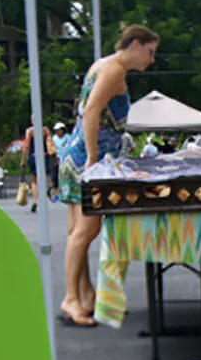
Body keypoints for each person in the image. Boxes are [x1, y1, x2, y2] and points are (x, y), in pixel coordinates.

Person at [57, 25, 160, 326]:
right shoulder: (114, 70)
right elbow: (91, 111)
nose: (151, 60)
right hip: (89, 160)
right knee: (84, 233)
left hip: (74, 158)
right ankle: (71, 299)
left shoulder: (101, 64)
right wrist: (92, 157)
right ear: (136, 44)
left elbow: (87, 111)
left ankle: (85, 295)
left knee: (78, 233)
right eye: (150, 52)